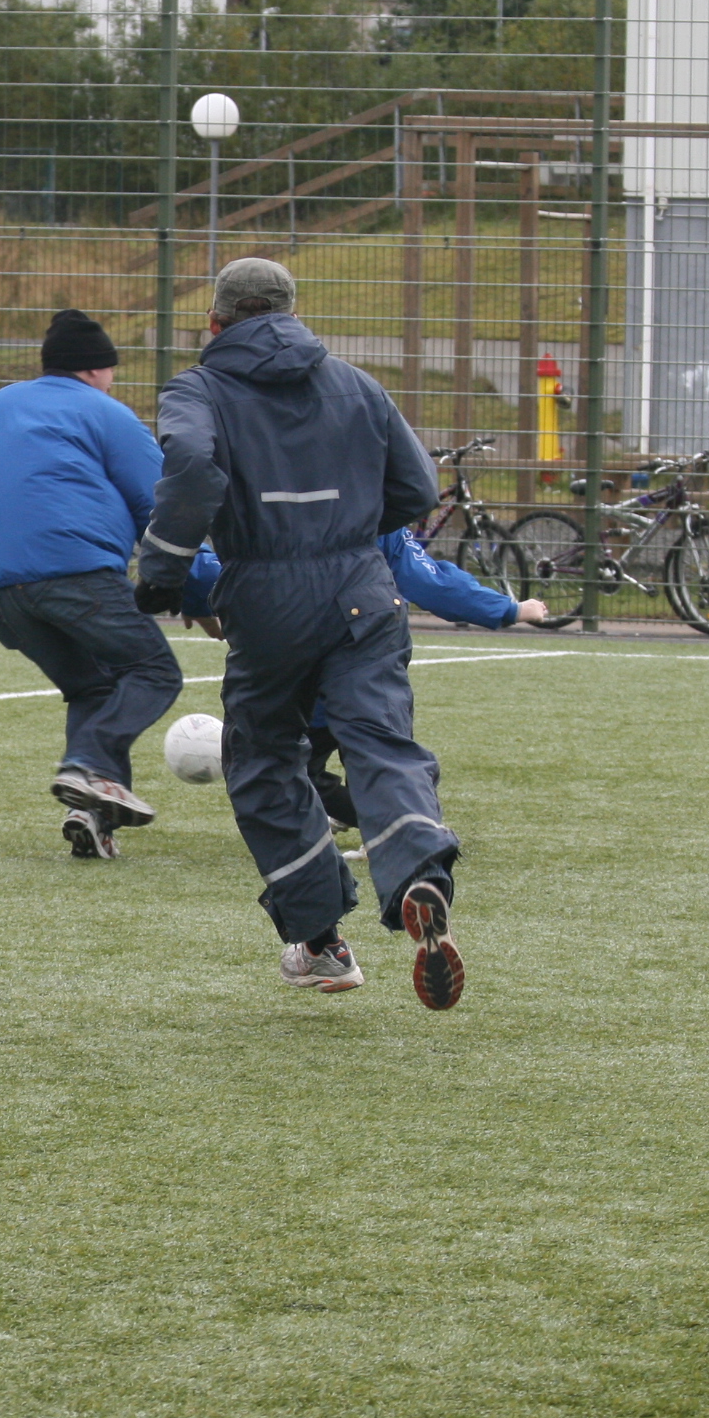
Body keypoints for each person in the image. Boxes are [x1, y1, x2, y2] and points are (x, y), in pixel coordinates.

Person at [132, 257, 465, 1006]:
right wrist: (345, 531)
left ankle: (320, 944)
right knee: (380, 739)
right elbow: (416, 487)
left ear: (215, 323)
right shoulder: (357, 384)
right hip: (363, 591)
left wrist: (162, 572)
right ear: (292, 312)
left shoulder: (198, 389)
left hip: (266, 595)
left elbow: (193, 472)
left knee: (262, 761)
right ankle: (419, 872)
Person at [0, 306, 181, 859]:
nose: (112, 379)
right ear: (93, 369)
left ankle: (90, 815)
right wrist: (198, 584)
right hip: (77, 575)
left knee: (92, 687)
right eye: (110, 369)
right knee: (154, 671)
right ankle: (87, 764)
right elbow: (162, 506)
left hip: (0, 593)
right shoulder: (108, 414)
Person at [180, 528, 549, 830]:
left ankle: (388, 825)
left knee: (278, 769)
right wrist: (509, 609)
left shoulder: (262, 493)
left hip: (290, 668)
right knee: (378, 755)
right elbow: (427, 579)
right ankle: (404, 827)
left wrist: (196, 596)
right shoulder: (367, 504)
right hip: (360, 658)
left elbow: (212, 563)